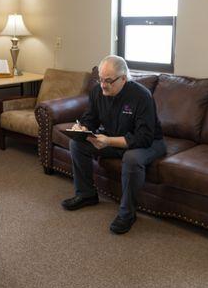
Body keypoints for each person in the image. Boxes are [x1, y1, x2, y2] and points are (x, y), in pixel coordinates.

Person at [61, 55, 166, 234]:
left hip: (150, 143)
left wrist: (108, 141)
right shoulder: (97, 91)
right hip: (114, 138)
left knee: (132, 158)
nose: (103, 85)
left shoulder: (141, 96)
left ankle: (127, 214)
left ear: (123, 78)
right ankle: (86, 194)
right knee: (76, 144)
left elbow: (143, 137)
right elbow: (91, 117)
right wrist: (83, 128)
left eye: (108, 80)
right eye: (101, 79)